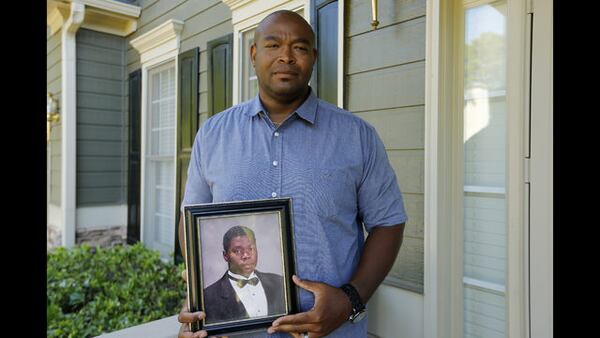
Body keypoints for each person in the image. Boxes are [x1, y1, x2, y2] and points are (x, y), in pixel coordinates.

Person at [177, 9, 407, 338]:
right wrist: (202, 291)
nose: (286, 56)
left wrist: (349, 300)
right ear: (254, 54)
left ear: (313, 57)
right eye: (273, 45)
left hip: (333, 331)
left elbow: (388, 221)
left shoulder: (357, 136)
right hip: (234, 332)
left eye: (299, 47)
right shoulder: (213, 134)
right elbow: (191, 223)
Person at [203, 225, 285, 323]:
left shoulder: (280, 282)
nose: (246, 255)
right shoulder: (207, 297)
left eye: (250, 248)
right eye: (237, 251)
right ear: (225, 256)